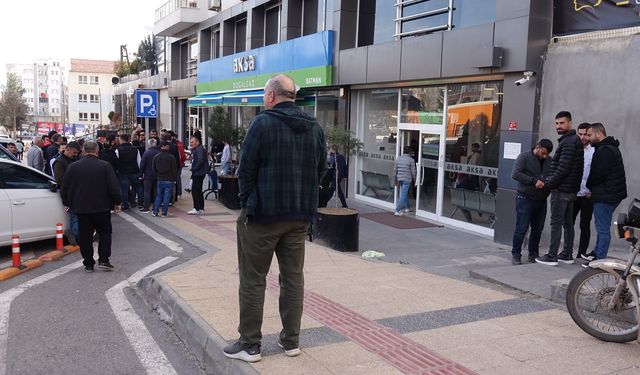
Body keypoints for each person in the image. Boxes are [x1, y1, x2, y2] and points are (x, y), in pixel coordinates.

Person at [223, 74, 326, 363]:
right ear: (292, 96)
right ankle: (291, 341)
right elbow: (321, 169)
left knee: (253, 280)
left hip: (263, 217)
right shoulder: (314, 126)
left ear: (271, 96)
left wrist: (247, 204)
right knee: (293, 279)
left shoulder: (262, 123)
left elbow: (246, 171)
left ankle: (250, 344)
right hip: (298, 216)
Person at [61, 141, 121, 273]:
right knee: (105, 233)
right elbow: (113, 186)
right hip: (102, 207)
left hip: (81, 208)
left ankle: (88, 263)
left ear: (83, 151)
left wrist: (67, 202)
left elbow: (65, 187)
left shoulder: (73, 167)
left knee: (85, 236)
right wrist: (117, 201)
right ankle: (104, 260)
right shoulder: (105, 166)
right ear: (97, 151)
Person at [536, 111, 584, 266]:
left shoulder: (569, 142)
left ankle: (552, 256)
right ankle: (567, 254)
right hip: (570, 190)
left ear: (570, 123)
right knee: (567, 223)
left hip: (562, 190)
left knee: (556, 223)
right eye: (556, 123)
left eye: (562, 123)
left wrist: (548, 183)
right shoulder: (572, 140)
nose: (559, 126)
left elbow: (563, 168)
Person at [582, 123, 627, 262]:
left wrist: (588, 187)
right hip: (609, 194)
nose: (588, 138)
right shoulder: (608, 148)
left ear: (599, 134)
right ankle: (597, 252)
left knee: (602, 227)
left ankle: (599, 258)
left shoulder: (605, 150)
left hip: (606, 195)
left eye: (590, 135)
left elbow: (599, 173)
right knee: (601, 225)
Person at [510, 139, 553, 265]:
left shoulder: (549, 160)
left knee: (537, 229)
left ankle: (533, 254)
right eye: (543, 153)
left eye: (547, 154)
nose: (544, 156)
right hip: (525, 198)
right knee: (521, 228)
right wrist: (534, 181)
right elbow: (515, 174)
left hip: (541, 199)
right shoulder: (524, 157)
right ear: (538, 147)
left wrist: (548, 183)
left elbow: (552, 174)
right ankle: (516, 254)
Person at [572, 123, 595, 260]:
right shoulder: (574, 149)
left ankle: (581, 253)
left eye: (586, 134)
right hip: (574, 193)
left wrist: (592, 190)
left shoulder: (594, 151)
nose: (583, 137)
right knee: (569, 222)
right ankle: (567, 251)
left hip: (587, 194)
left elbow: (597, 172)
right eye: (580, 134)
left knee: (584, 225)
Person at [53, 141, 81, 246]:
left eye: (77, 153)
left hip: (79, 191)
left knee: (79, 215)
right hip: (69, 193)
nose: (75, 155)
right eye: (74, 152)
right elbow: (60, 180)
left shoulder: (76, 160)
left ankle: (78, 235)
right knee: (74, 216)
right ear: (68, 149)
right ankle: (76, 237)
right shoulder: (59, 162)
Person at [115, 134, 143, 210]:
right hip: (135, 171)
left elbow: (116, 162)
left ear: (122, 140)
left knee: (124, 189)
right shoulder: (135, 149)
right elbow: (139, 162)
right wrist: (140, 172)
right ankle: (140, 203)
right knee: (138, 187)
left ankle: (126, 206)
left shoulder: (118, 150)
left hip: (123, 172)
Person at [152, 141, 178, 217]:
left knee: (159, 196)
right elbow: (174, 169)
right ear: (164, 146)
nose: (168, 147)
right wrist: (175, 179)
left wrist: (157, 176)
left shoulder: (156, 157)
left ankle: (155, 211)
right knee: (166, 197)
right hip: (169, 179)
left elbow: (153, 169)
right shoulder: (171, 157)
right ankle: (164, 212)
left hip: (160, 179)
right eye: (167, 146)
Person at [392, 146, 417, 216]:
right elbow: (413, 171)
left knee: (404, 193)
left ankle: (407, 208)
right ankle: (397, 210)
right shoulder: (411, 160)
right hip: (407, 179)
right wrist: (415, 180)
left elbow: (394, 171)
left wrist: (394, 181)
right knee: (403, 195)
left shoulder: (398, 159)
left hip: (399, 179)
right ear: (409, 152)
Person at [139, 138, 161, 213]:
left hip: (148, 175)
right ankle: (155, 207)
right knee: (156, 191)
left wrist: (141, 174)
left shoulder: (147, 153)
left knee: (147, 191)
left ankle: (146, 207)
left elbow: (142, 164)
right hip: (158, 175)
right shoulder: (159, 152)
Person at [188, 135, 208, 214]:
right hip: (200, 172)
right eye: (191, 142)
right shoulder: (198, 149)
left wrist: (194, 168)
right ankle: (200, 208)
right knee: (198, 190)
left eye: (192, 142)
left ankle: (196, 208)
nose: (191, 144)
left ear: (197, 142)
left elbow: (200, 160)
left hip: (199, 172)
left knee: (195, 190)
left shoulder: (199, 149)